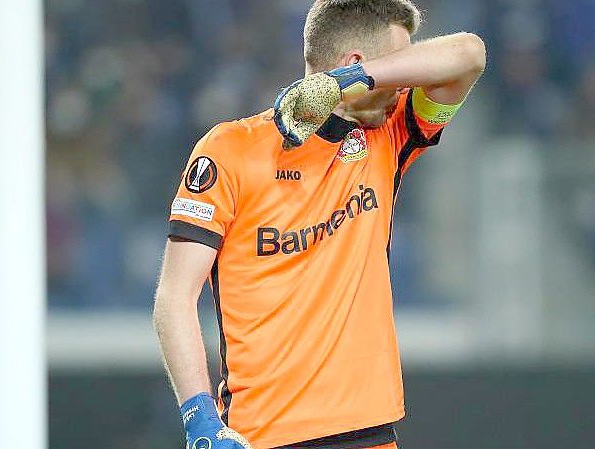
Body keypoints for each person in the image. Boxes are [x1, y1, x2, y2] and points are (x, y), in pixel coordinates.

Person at [153, 1, 486, 448]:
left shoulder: (389, 135)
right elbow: (175, 297)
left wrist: (347, 83)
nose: (402, 82)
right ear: (355, 59)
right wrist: (199, 420)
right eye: (394, 67)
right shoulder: (229, 150)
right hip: (263, 437)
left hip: (369, 434)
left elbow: (470, 53)